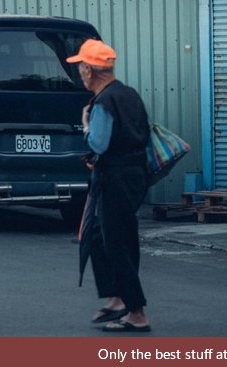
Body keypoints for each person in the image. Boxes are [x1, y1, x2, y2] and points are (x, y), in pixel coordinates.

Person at [66, 38, 151, 333]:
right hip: (134, 176)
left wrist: (86, 125)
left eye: (81, 67)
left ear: (90, 70)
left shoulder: (103, 102)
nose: (79, 73)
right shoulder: (129, 94)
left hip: (114, 177)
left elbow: (99, 143)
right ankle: (117, 298)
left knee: (117, 243)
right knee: (104, 236)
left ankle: (136, 312)